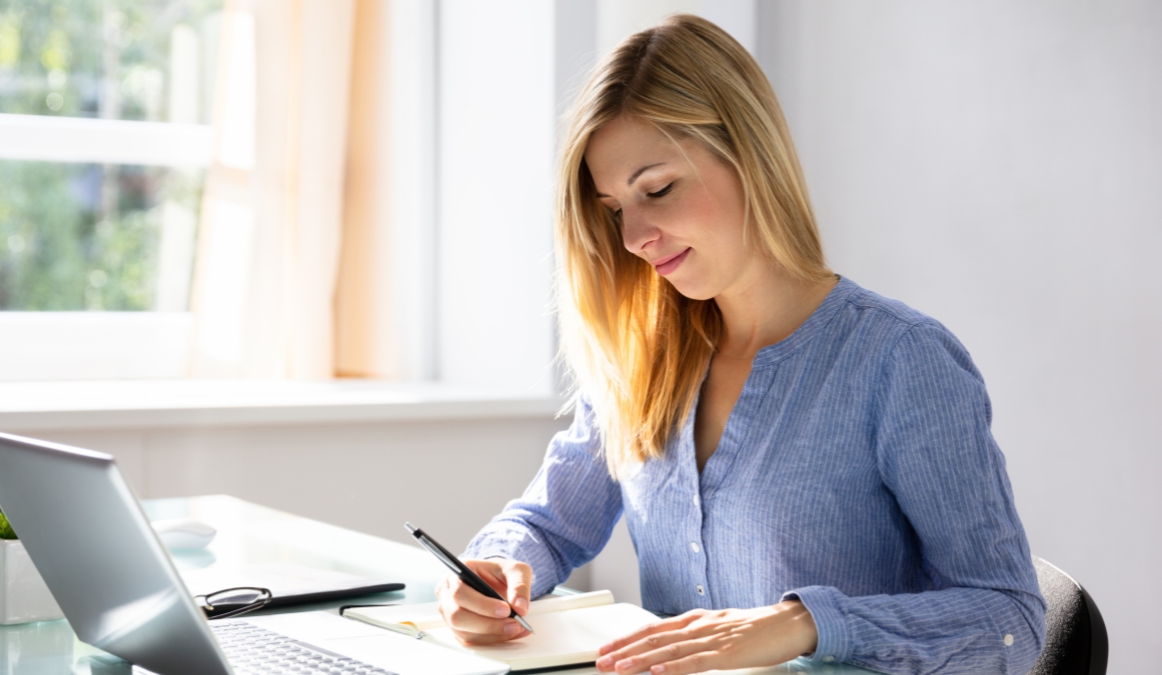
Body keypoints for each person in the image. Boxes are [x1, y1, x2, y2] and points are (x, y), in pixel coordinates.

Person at [435, 14, 1046, 675]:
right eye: (614, 210)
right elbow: (546, 524)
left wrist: (804, 624)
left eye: (657, 188)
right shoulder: (641, 358)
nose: (635, 235)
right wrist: (495, 568)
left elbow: (1009, 620)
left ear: (748, 155)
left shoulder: (901, 362)